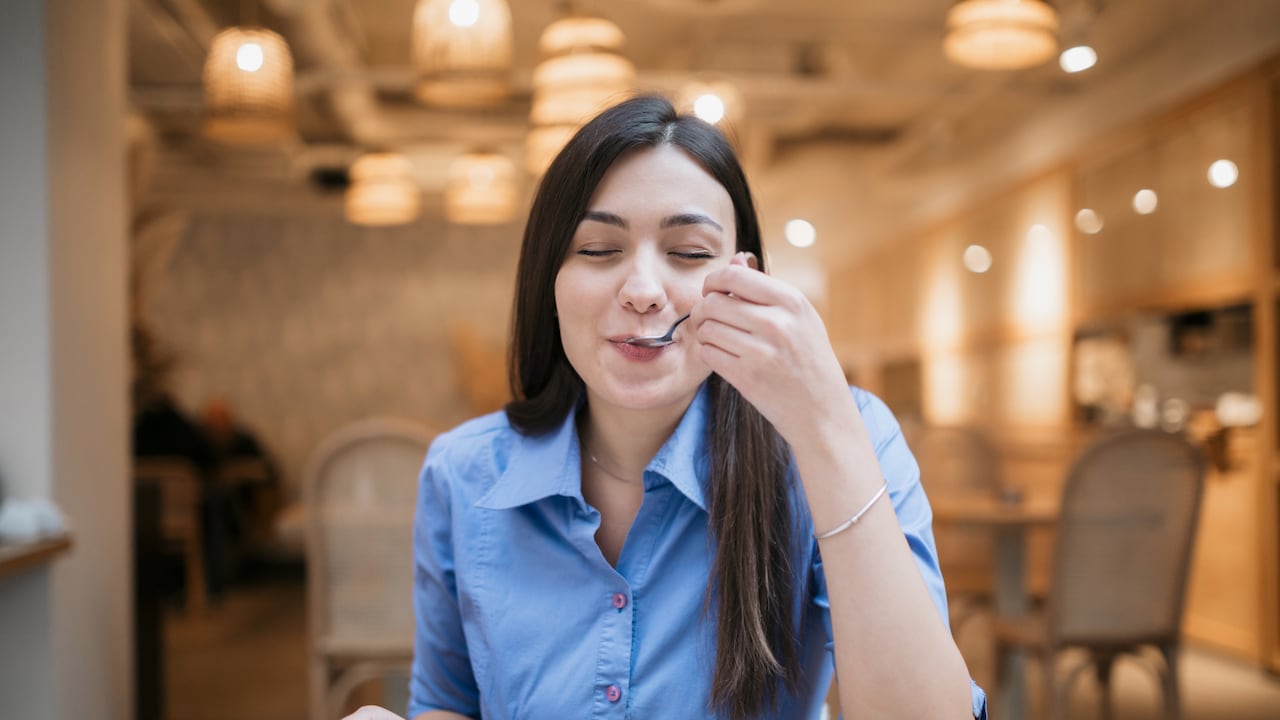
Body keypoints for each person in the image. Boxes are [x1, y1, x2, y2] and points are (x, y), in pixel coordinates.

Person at [347, 95, 986, 719]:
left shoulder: (848, 433)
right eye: (598, 250)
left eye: (688, 253)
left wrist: (823, 425)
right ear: (550, 281)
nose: (645, 292)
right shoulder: (463, 472)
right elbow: (449, 701)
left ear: (744, 280)